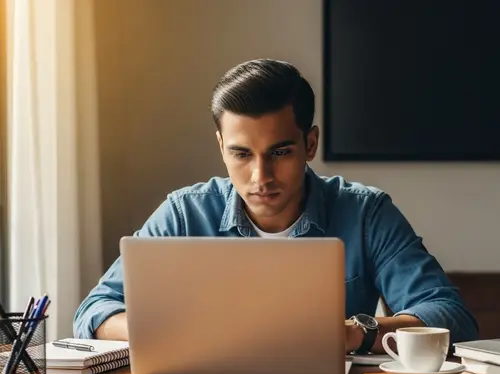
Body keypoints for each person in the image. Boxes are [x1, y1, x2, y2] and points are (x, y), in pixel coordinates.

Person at [73, 58, 478, 351]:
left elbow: (451, 315)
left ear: (311, 143)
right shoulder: (184, 212)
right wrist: (172, 328)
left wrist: (357, 332)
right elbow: (93, 312)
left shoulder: (365, 212)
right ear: (221, 147)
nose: (260, 177)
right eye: (241, 154)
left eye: (280, 153)